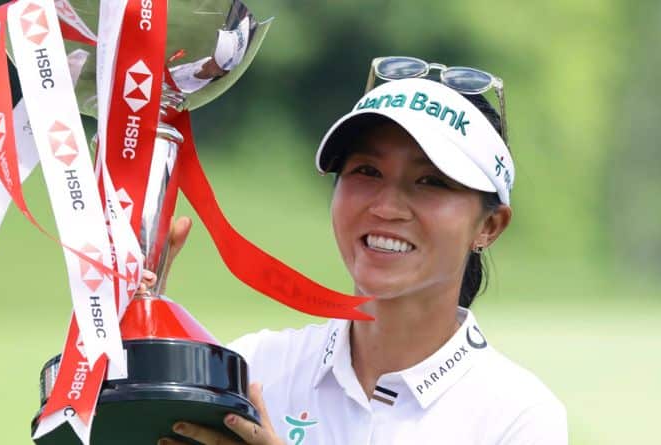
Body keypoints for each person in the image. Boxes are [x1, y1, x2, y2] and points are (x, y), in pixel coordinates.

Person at [145, 57, 567, 445]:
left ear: (489, 226)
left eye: (431, 182)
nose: (385, 207)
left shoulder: (518, 416)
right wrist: (132, 315)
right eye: (367, 171)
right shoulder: (253, 370)